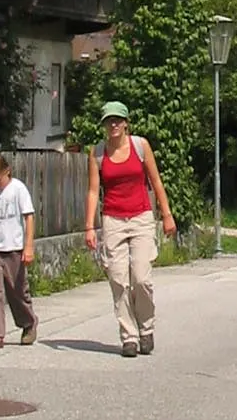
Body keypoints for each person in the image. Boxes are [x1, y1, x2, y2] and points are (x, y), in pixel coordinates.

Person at [84, 100, 176, 358]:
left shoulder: (140, 145)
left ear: (125, 123)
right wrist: (89, 227)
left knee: (141, 278)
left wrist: (166, 215)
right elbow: (93, 191)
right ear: (104, 125)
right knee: (118, 280)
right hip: (113, 220)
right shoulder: (98, 153)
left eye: (117, 120)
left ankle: (146, 329)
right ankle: (129, 337)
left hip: (141, 218)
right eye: (108, 121)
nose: (113, 124)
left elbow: (156, 181)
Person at [0, 152, 38, 350]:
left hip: (14, 248)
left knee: (18, 291)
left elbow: (29, 217)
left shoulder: (18, 189)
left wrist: (28, 246)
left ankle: (28, 324)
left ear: (7, 171)